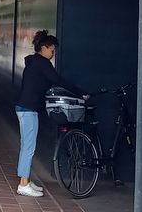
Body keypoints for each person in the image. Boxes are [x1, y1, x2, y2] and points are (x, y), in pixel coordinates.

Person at [13, 31, 88, 198]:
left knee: (27, 146)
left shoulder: (33, 62)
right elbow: (58, 80)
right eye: (52, 50)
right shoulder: (42, 63)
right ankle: (23, 184)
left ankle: (26, 180)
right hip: (28, 110)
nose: (53, 54)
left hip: (25, 108)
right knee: (28, 147)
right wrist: (80, 93)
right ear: (44, 47)